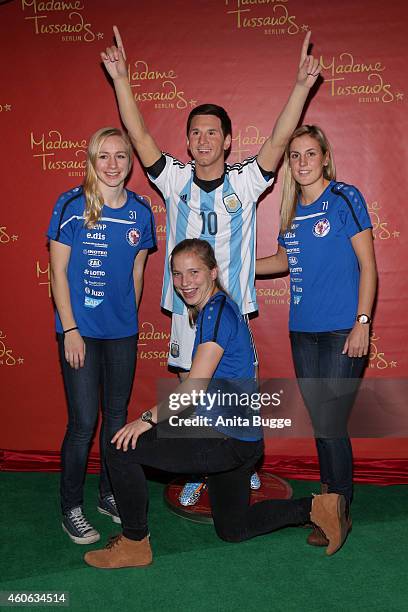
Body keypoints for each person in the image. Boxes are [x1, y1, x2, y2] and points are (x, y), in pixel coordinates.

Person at [100, 27, 322, 505]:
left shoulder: (245, 181)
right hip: (185, 307)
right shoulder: (174, 177)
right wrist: (121, 78)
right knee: (190, 389)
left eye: (212, 133)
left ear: (226, 142)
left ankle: (241, 464)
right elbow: (138, 137)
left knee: (232, 393)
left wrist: (302, 87)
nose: (203, 140)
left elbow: (280, 140)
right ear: (187, 141)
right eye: (195, 132)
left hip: (230, 308)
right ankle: (204, 467)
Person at [84, 238, 348, 569]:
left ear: (213, 272)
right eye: (177, 274)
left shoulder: (217, 312)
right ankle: (317, 508)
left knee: (120, 448)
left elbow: (193, 389)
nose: (185, 282)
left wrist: (146, 419)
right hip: (240, 439)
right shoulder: (216, 308)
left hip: (226, 438)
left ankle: (135, 543)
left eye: (194, 272)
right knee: (233, 529)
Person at [256, 124, 377, 546]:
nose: (302, 162)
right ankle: (329, 506)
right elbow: (281, 261)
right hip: (302, 334)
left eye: (310, 154)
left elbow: (369, 266)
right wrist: (234, 267)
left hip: (344, 331)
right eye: (295, 156)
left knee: (330, 423)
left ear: (324, 157)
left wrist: (362, 323)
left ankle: (337, 511)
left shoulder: (345, 197)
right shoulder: (289, 211)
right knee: (322, 424)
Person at [48, 127, 156, 544]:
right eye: (103, 156)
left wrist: (126, 319)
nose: (112, 165)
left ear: (131, 163)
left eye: (121, 157)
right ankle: (70, 507)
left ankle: (108, 493)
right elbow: (57, 271)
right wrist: (71, 329)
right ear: (92, 161)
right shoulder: (71, 205)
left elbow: (137, 271)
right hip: (80, 334)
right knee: (81, 425)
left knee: (116, 419)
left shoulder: (141, 212)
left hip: (122, 335)